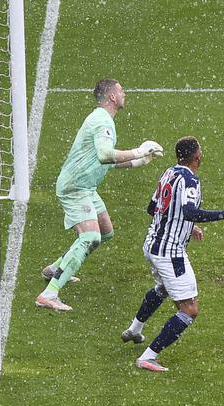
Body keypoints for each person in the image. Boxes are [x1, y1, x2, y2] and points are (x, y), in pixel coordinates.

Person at [35, 79, 164, 312]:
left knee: (105, 232)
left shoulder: (103, 120)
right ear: (112, 97)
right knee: (90, 237)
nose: (125, 93)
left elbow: (104, 162)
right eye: (121, 90)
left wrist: (140, 161)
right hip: (75, 187)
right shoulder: (102, 121)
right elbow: (106, 155)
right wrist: (139, 150)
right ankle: (49, 293)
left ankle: (55, 269)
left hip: (86, 186)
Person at [123, 137, 224, 372]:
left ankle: (135, 330)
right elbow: (188, 211)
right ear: (196, 157)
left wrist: (188, 226)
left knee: (163, 289)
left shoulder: (169, 173)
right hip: (170, 253)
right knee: (189, 310)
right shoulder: (190, 180)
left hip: (152, 245)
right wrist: (223, 215)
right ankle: (148, 357)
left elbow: (153, 208)